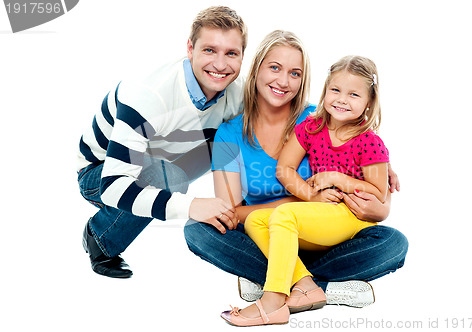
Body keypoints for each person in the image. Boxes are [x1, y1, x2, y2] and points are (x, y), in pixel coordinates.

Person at [182, 31, 408, 326]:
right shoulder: (228, 135)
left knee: (393, 243)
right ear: (257, 69)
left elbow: (375, 194)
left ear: (304, 80)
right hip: (265, 238)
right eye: (274, 68)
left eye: (295, 73)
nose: (283, 81)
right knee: (199, 230)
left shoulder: (322, 119)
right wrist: (307, 197)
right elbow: (231, 214)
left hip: (328, 236)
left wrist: (379, 191)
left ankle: (281, 284)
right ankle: (315, 285)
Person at [221, 55, 392, 326]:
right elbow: (284, 169)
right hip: (318, 211)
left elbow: (379, 193)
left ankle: (273, 299)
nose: (342, 99)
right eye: (335, 90)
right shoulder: (312, 127)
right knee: (256, 219)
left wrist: (337, 178)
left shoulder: (370, 142)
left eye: (354, 94)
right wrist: (310, 194)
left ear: (369, 102)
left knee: (284, 216)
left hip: (347, 214)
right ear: (325, 92)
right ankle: (306, 285)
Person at [77, 6, 245, 278]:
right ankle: (101, 236)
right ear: (190, 49)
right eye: (209, 50)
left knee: (238, 136)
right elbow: (112, 185)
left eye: (231, 53)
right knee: (168, 178)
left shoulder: (236, 94)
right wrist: (192, 206)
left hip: (164, 157)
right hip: (101, 171)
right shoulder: (149, 95)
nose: (221, 64)